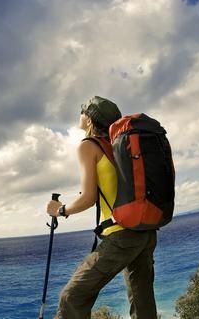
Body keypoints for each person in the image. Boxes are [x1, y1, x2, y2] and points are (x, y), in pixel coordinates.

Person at [46, 96, 157, 319]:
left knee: (72, 297)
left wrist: (60, 210)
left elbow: (88, 198)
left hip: (122, 236)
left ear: (90, 119)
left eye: (83, 111)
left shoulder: (89, 146)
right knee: (142, 299)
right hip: (146, 231)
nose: (80, 115)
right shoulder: (121, 145)